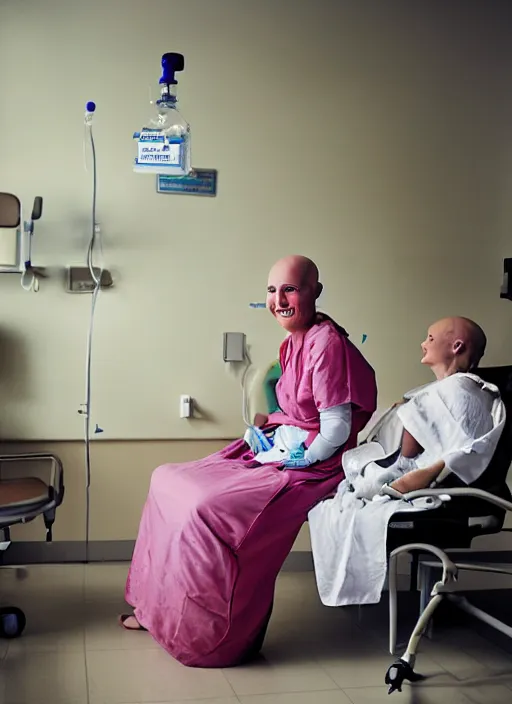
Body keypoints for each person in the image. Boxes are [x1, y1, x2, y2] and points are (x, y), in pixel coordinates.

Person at [120, 255, 377, 667]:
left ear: (315, 291)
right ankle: (156, 613)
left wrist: (299, 456)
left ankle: (211, 637)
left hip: (313, 466)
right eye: (272, 291)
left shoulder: (327, 343)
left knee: (204, 508)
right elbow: (296, 407)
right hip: (283, 446)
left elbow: (334, 430)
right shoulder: (293, 341)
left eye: (290, 289)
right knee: (167, 480)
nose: (279, 300)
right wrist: (265, 430)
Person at [309, 316, 506, 607]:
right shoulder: (467, 392)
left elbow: (410, 452)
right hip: (453, 486)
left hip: (440, 492)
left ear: (456, 345)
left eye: (429, 337)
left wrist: (408, 414)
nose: (423, 343)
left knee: (336, 502)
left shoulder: (454, 391)